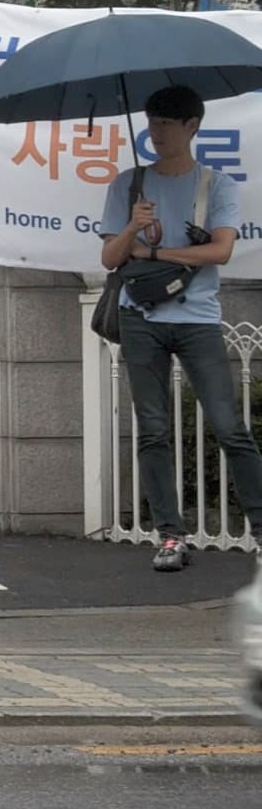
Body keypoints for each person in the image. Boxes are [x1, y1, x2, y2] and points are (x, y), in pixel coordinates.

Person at [100, 84, 262, 572]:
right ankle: (171, 536)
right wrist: (132, 227)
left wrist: (151, 252)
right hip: (139, 317)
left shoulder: (216, 185)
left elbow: (220, 252)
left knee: (230, 427)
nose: (157, 133)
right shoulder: (128, 185)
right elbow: (109, 258)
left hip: (197, 319)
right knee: (151, 431)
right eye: (152, 124)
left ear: (193, 127)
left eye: (167, 125)